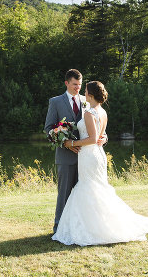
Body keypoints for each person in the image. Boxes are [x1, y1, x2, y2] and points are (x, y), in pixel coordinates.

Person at [51, 80, 148, 246]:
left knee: (89, 188)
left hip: (89, 155)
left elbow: (93, 138)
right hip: (98, 154)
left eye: (86, 89)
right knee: (97, 189)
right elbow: (99, 136)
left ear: (89, 94)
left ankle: (93, 228)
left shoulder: (89, 113)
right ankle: (98, 224)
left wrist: (71, 144)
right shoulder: (102, 111)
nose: (83, 92)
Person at [44, 69, 105, 234]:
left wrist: (103, 137)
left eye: (80, 84)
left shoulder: (88, 100)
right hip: (65, 157)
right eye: (75, 84)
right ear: (66, 83)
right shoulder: (55, 102)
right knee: (64, 195)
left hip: (86, 159)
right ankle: (59, 228)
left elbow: (97, 126)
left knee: (84, 196)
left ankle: (82, 228)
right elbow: (48, 129)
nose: (78, 88)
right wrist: (66, 143)